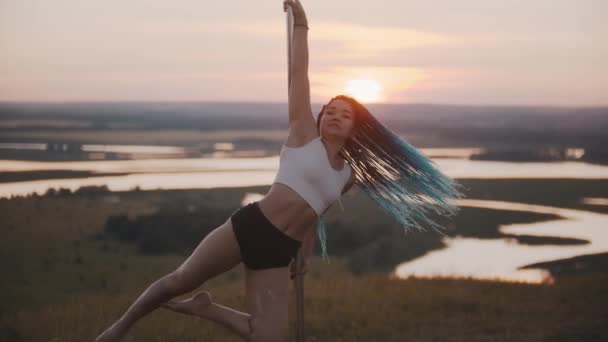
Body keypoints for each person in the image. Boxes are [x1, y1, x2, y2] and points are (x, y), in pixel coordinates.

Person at [96, 1, 464, 341]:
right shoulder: (303, 134)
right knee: (178, 280)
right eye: (330, 110)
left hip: (280, 250)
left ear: (355, 128)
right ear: (319, 118)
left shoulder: (347, 175)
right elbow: (298, 72)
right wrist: (301, 24)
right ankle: (120, 327)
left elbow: (312, 216)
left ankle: (206, 309)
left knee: (268, 337)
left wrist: (302, 256)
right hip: (250, 227)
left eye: (345, 114)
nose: (334, 116)